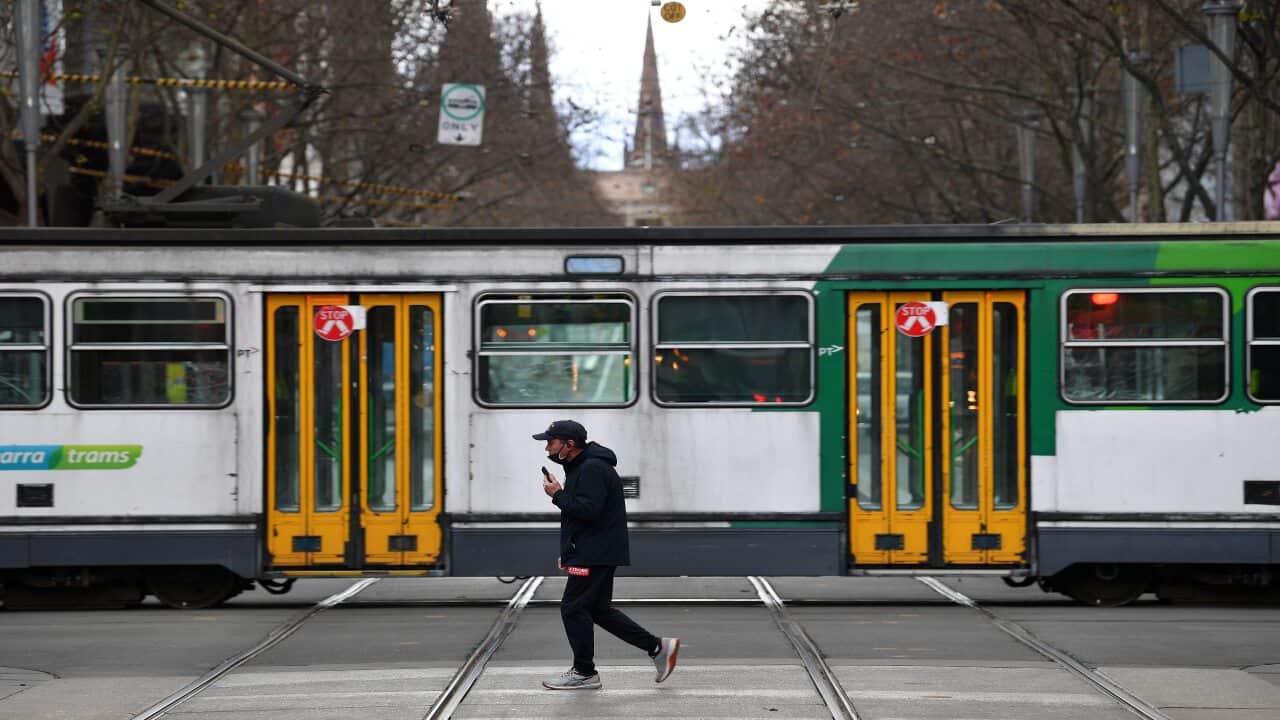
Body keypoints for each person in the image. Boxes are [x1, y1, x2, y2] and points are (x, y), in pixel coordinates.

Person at [533, 419, 679, 691]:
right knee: (598, 610)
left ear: (569, 444)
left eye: (550, 443)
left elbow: (588, 511)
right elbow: (582, 515)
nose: (547, 450)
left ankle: (584, 672)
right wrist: (568, 551)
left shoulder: (592, 468)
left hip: (595, 552)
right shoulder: (581, 466)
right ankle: (658, 648)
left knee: (573, 608)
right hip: (593, 551)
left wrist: (557, 495)